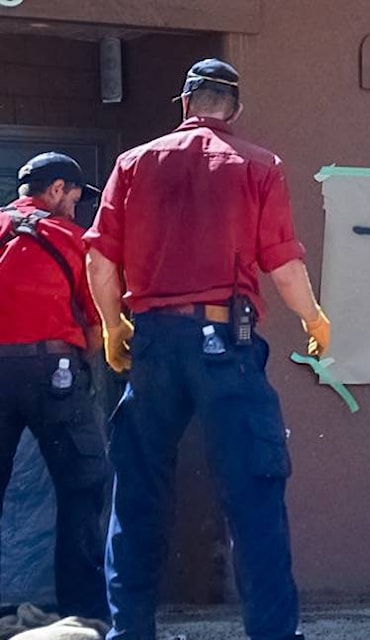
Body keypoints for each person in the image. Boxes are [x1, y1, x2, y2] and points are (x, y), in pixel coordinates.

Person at [84, 58, 331, 640]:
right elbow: (285, 266)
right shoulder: (259, 165)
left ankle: (130, 632)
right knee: (253, 492)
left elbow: (99, 261)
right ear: (235, 108)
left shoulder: (132, 163)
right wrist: (315, 319)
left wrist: (114, 327)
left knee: (138, 493)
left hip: (154, 342)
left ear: (185, 104)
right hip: (227, 342)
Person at [0, 152, 109, 621]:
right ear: (59, 189)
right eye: (76, 197)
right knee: (83, 486)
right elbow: (96, 323)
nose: (76, 207)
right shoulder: (74, 239)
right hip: (55, 375)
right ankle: (83, 613)